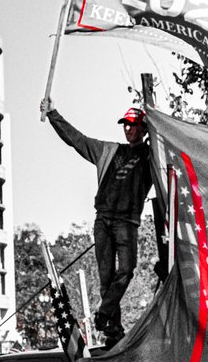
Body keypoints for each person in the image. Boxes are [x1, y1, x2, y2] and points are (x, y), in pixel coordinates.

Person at [40, 98, 153, 346]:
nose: (128, 129)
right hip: (103, 220)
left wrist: (154, 119)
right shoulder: (110, 151)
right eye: (125, 125)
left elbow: (166, 143)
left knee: (126, 269)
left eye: (133, 125)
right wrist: (53, 114)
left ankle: (104, 313)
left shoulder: (150, 154)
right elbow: (77, 140)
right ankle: (113, 330)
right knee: (106, 277)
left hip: (127, 222)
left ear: (144, 129)